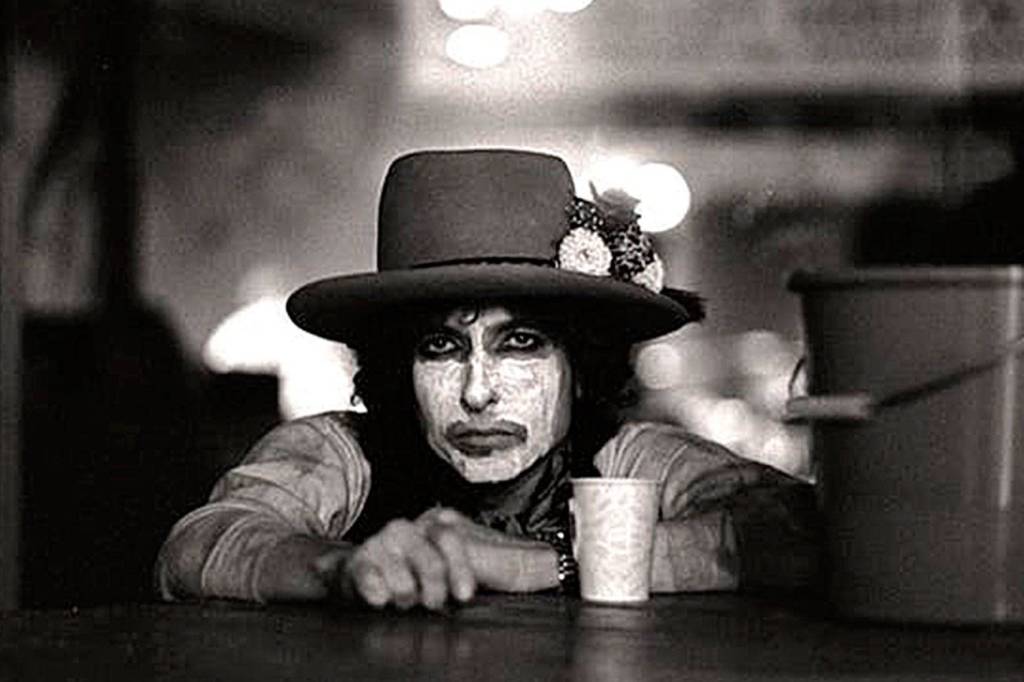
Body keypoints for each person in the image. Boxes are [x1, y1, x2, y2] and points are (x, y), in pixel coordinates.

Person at [156, 149, 820, 609]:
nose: (477, 392)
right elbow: (196, 546)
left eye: (521, 343)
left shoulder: (626, 462)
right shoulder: (345, 454)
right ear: (398, 367)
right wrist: (343, 569)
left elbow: (811, 532)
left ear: (580, 365)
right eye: (440, 347)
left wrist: (533, 562)